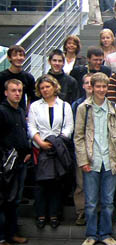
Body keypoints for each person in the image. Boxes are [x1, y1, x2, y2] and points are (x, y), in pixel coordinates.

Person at [74, 72, 116, 245]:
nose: (101, 90)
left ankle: (105, 233)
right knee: (90, 202)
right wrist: (82, 160)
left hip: (109, 159)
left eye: (105, 87)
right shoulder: (84, 108)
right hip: (91, 159)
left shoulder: (114, 108)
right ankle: (90, 234)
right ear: (92, 87)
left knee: (108, 201)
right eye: (98, 86)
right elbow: (78, 136)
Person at [28, 75, 74, 229]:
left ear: (54, 87)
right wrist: (40, 142)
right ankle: (41, 215)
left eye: (47, 87)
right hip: (40, 149)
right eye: (42, 88)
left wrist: (57, 141)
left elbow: (69, 127)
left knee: (56, 182)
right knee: (41, 184)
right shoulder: (35, 106)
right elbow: (31, 127)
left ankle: (54, 215)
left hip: (58, 149)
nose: (45, 90)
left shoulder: (64, 105)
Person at [0, 79, 30, 245]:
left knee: (14, 201)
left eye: (19, 90)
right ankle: (1, 238)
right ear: (6, 92)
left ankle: (12, 233)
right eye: (13, 90)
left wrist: (26, 152)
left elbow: (22, 133)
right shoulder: (2, 111)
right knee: (3, 201)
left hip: (20, 162)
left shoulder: (19, 110)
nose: (17, 93)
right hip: (5, 164)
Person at [71, 73, 94, 226]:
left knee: (95, 184)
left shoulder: (106, 104)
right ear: (83, 85)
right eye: (87, 83)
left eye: (92, 83)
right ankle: (81, 212)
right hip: (81, 148)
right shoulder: (76, 105)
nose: (89, 86)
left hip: (98, 149)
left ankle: (94, 212)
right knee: (81, 184)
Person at [0, 45, 37, 111]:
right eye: (15, 55)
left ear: (24, 57)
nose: (18, 58)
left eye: (21, 55)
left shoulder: (28, 77)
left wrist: (27, 114)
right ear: (9, 58)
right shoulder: (1, 76)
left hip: (21, 114)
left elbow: (31, 97)